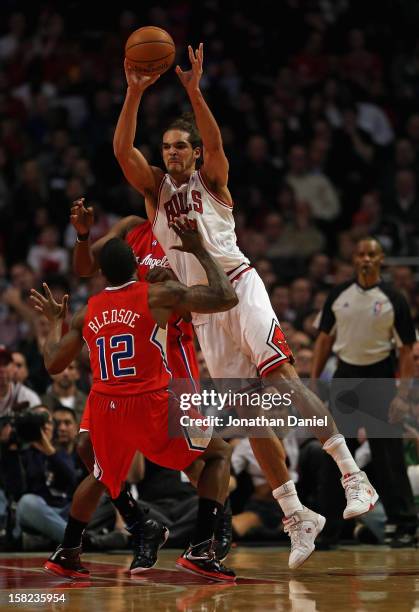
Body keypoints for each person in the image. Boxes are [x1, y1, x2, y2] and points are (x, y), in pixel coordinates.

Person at [113, 43, 378, 568]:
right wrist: (133, 93)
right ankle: (297, 514)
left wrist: (194, 92)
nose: (171, 154)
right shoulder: (155, 193)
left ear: (193, 152)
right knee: (254, 416)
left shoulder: (212, 180)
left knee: (281, 381)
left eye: (179, 147)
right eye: (165, 147)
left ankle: (354, 475)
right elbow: (123, 153)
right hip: (205, 308)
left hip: (240, 283)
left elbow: (215, 142)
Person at [32, 219, 238, 581]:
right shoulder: (155, 295)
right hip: (149, 404)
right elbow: (226, 297)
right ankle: (201, 548)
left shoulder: (88, 310)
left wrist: (54, 321)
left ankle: (68, 550)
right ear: (136, 265)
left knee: (98, 474)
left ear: (103, 274)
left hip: (107, 408)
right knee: (219, 454)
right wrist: (201, 252)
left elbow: (52, 363)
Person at [312, 237, 418, 546]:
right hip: (345, 378)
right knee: (335, 453)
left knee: (389, 455)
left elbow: (408, 351)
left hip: (380, 377)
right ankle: (328, 528)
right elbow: (322, 342)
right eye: (361, 254)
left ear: (381, 258)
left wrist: (401, 394)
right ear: (354, 259)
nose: (366, 259)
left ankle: (403, 524)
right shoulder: (338, 294)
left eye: (372, 254)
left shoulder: (394, 298)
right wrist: (316, 381)